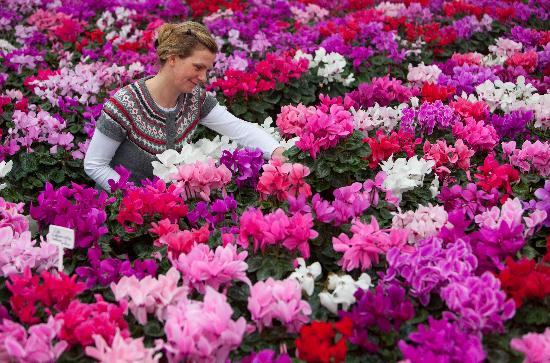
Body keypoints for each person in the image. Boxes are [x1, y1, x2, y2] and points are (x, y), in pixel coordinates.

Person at [84, 21, 285, 192]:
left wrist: (276, 151)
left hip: (164, 207)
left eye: (207, 70)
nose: (203, 77)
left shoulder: (194, 99)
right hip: (116, 209)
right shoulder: (125, 103)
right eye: (198, 67)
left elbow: (238, 128)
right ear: (172, 58)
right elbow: (95, 165)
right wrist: (136, 196)